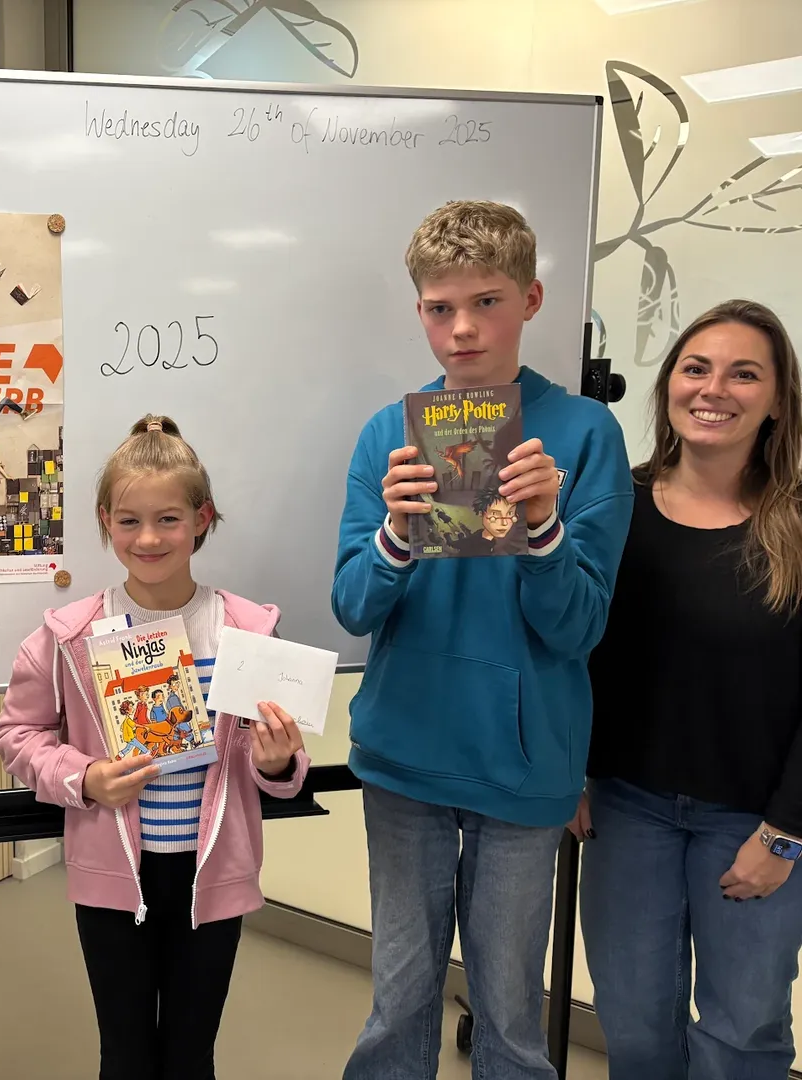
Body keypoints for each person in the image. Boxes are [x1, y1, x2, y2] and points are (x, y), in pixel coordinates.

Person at [331, 201, 633, 1079]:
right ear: (420, 311)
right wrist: (394, 534)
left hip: (523, 766)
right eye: (440, 308)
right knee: (397, 1004)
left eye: (487, 302)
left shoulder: (585, 434)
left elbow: (580, 625)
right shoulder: (389, 433)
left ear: (531, 300)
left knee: (509, 1016)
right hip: (405, 754)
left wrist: (544, 529)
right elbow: (352, 606)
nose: (461, 328)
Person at [0, 414, 310, 1080]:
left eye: (168, 519)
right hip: (114, 883)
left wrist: (278, 760)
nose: (148, 538)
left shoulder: (247, 631)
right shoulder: (71, 634)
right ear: (105, 522)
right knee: (125, 1055)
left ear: (202, 518)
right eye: (129, 521)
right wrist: (84, 777)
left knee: (192, 1055)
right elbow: (16, 735)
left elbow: (278, 756)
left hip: (213, 875)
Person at [578, 299, 802, 1080]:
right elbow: (574, 651)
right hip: (626, 810)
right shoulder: (614, 507)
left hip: (755, 824)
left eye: (745, 374)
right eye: (696, 368)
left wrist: (786, 833)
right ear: (669, 382)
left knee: (742, 1034)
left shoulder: (795, 524)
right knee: (635, 1026)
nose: (714, 389)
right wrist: (569, 772)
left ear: (778, 401)